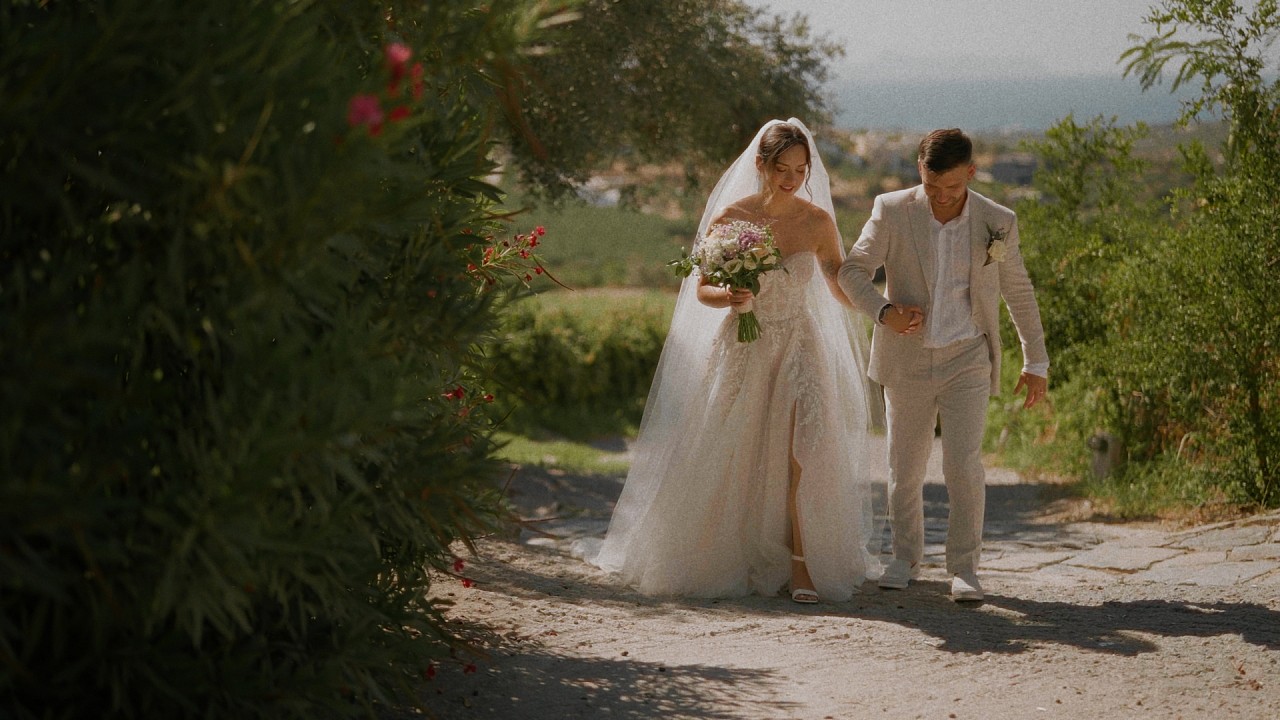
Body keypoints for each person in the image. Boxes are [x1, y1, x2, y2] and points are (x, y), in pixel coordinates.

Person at [576, 119, 882, 603]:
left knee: (804, 450)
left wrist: (882, 310)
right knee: (736, 445)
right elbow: (702, 289)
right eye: (782, 168)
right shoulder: (731, 218)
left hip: (798, 345)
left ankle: (802, 564)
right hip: (744, 344)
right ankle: (728, 550)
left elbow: (839, 286)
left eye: (800, 170)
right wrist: (731, 296)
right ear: (761, 164)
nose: (792, 178)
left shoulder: (817, 222)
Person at [837, 128, 1049, 602]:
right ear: (920, 171)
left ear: (971, 173)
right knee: (904, 467)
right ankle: (904, 557)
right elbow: (851, 270)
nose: (941, 196)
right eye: (931, 186)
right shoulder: (892, 210)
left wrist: (1035, 359)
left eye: (951, 187)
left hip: (967, 358)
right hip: (907, 359)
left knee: (963, 465)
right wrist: (884, 312)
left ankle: (965, 568)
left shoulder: (998, 220)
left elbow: (1018, 291)